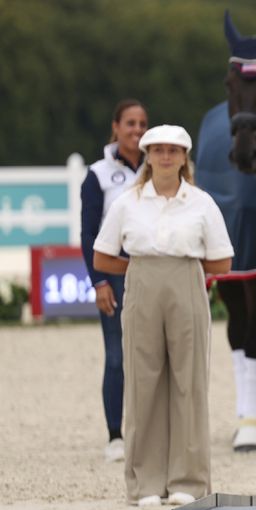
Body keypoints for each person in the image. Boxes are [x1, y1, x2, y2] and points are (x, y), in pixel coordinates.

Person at [93, 125, 234, 507]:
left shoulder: (201, 202)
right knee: (143, 380)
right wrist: (139, 271)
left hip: (187, 277)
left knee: (189, 379)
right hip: (141, 278)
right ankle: (146, 482)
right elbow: (103, 255)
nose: (166, 157)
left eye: (173, 151)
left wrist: (183, 269)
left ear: (184, 157)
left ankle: (188, 478)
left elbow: (222, 258)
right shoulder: (128, 201)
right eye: (158, 151)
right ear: (148, 156)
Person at [80, 99, 148, 463]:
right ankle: (115, 435)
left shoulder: (157, 167)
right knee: (117, 356)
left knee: (151, 355)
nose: (136, 130)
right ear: (116, 127)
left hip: (152, 273)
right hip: (116, 277)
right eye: (130, 124)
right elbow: (89, 232)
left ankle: (147, 431)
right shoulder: (98, 174)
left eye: (141, 124)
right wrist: (98, 282)